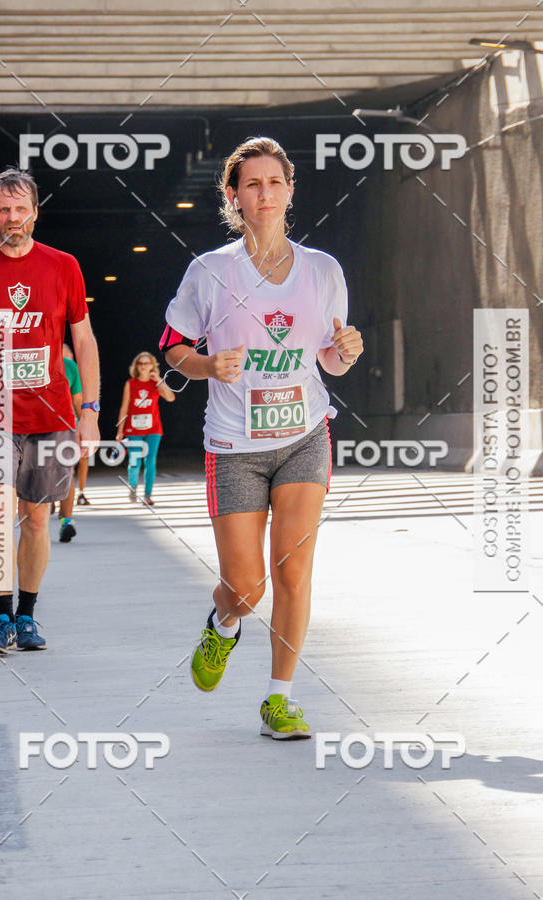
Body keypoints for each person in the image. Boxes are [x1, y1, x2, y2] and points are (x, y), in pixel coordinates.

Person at [161, 137, 363, 739]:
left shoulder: (323, 270)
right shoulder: (210, 271)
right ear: (234, 197)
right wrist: (206, 365)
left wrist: (346, 353)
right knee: (247, 589)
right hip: (234, 448)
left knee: (294, 573)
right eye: (253, 184)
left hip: (304, 436)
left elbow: (330, 357)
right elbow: (172, 349)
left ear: (290, 192)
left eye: (275, 182)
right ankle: (223, 623)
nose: (265, 193)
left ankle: (280, 699)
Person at [0, 167, 100, 654]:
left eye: (21, 208)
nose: (13, 217)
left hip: (51, 415)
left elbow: (84, 339)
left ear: (35, 211)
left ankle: (28, 616)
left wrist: (91, 409)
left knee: (36, 519)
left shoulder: (63, 266)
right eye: (4, 209)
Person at [115, 351, 174, 505]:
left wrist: (159, 380)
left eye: (147, 363)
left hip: (153, 428)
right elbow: (124, 408)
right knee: (135, 461)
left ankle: (148, 495)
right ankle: (133, 486)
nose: (143, 366)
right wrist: (120, 431)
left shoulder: (156, 384)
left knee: (150, 461)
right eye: (140, 363)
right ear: (136, 366)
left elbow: (170, 398)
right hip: (133, 428)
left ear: (152, 366)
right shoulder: (131, 383)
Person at [58, 343, 82, 543]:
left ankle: (67, 521)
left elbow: (78, 401)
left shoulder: (70, 366)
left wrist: (85, 426)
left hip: (65, 426)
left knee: (67, 473)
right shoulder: (23, 360)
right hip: (30, 426)